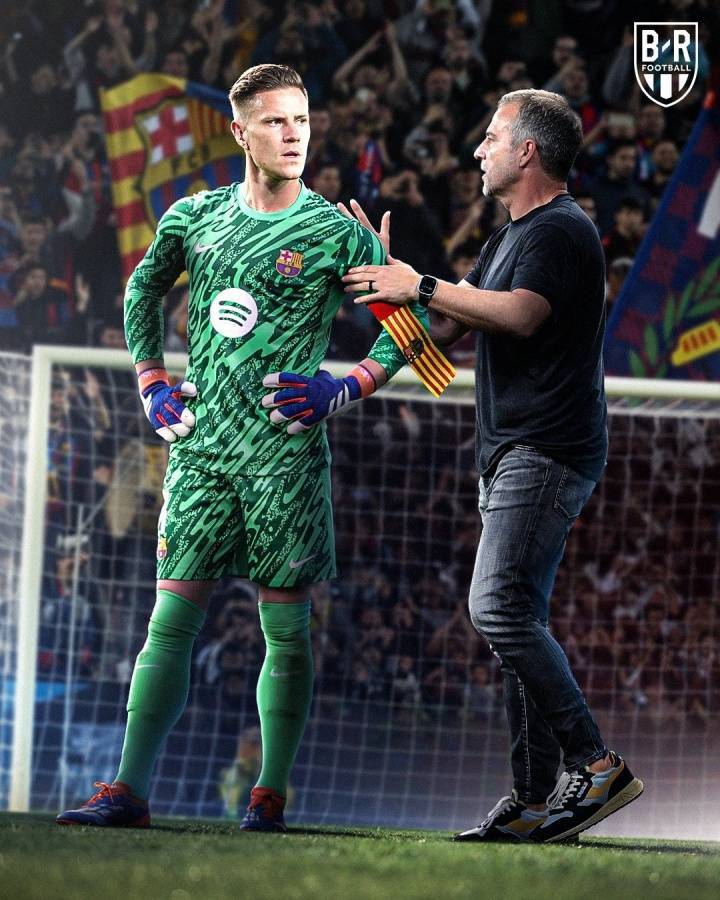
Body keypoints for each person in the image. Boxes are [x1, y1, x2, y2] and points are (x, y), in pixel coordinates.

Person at [56, 63, 428, 832]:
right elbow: (141, 290)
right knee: (169, 624)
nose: (294, 135)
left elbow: (411, 335)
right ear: (240, 132)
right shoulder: (195, 216)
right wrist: (151, 381)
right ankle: (127, 789)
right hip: (201, 451)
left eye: (302, 120)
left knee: (284, 632)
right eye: (275, 121)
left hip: (285, 461)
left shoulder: (336, 232)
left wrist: (342, 388)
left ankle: (270, 794)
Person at [342, 89, 643, 843]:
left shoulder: (562, 230)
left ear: (527, 151)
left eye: (491, 136)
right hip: (514, 450)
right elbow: (442, 336)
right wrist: (382, 281)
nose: (478, 149)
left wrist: (420, 284)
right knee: (516, 619)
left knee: (497, 608)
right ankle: (534, 799)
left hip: (547, 449)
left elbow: (520, 315)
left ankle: (595, 763)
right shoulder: (509, 236)